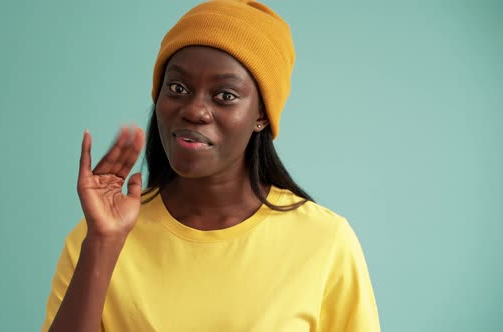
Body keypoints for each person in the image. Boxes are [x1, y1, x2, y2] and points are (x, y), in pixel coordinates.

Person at [41, 0, 380, 331]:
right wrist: (102, 242)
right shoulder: (98, 235)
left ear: (261, 115)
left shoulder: (325, 242)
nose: (195, 110)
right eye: (178, 88)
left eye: (225, 95)